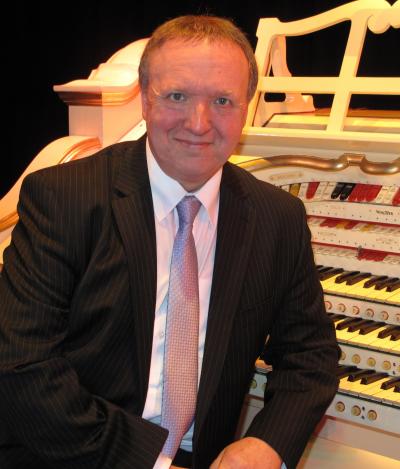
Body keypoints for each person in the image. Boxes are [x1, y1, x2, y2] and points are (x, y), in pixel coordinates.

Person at [0, 15, 340, 469]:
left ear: (246, 108)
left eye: (222, 100)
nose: (199, 123)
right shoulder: (65, 198)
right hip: (77, 453)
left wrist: (267, 444)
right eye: (177, 96)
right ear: (145, 99)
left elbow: (311, 355)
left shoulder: (277, 217)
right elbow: (22, 365)